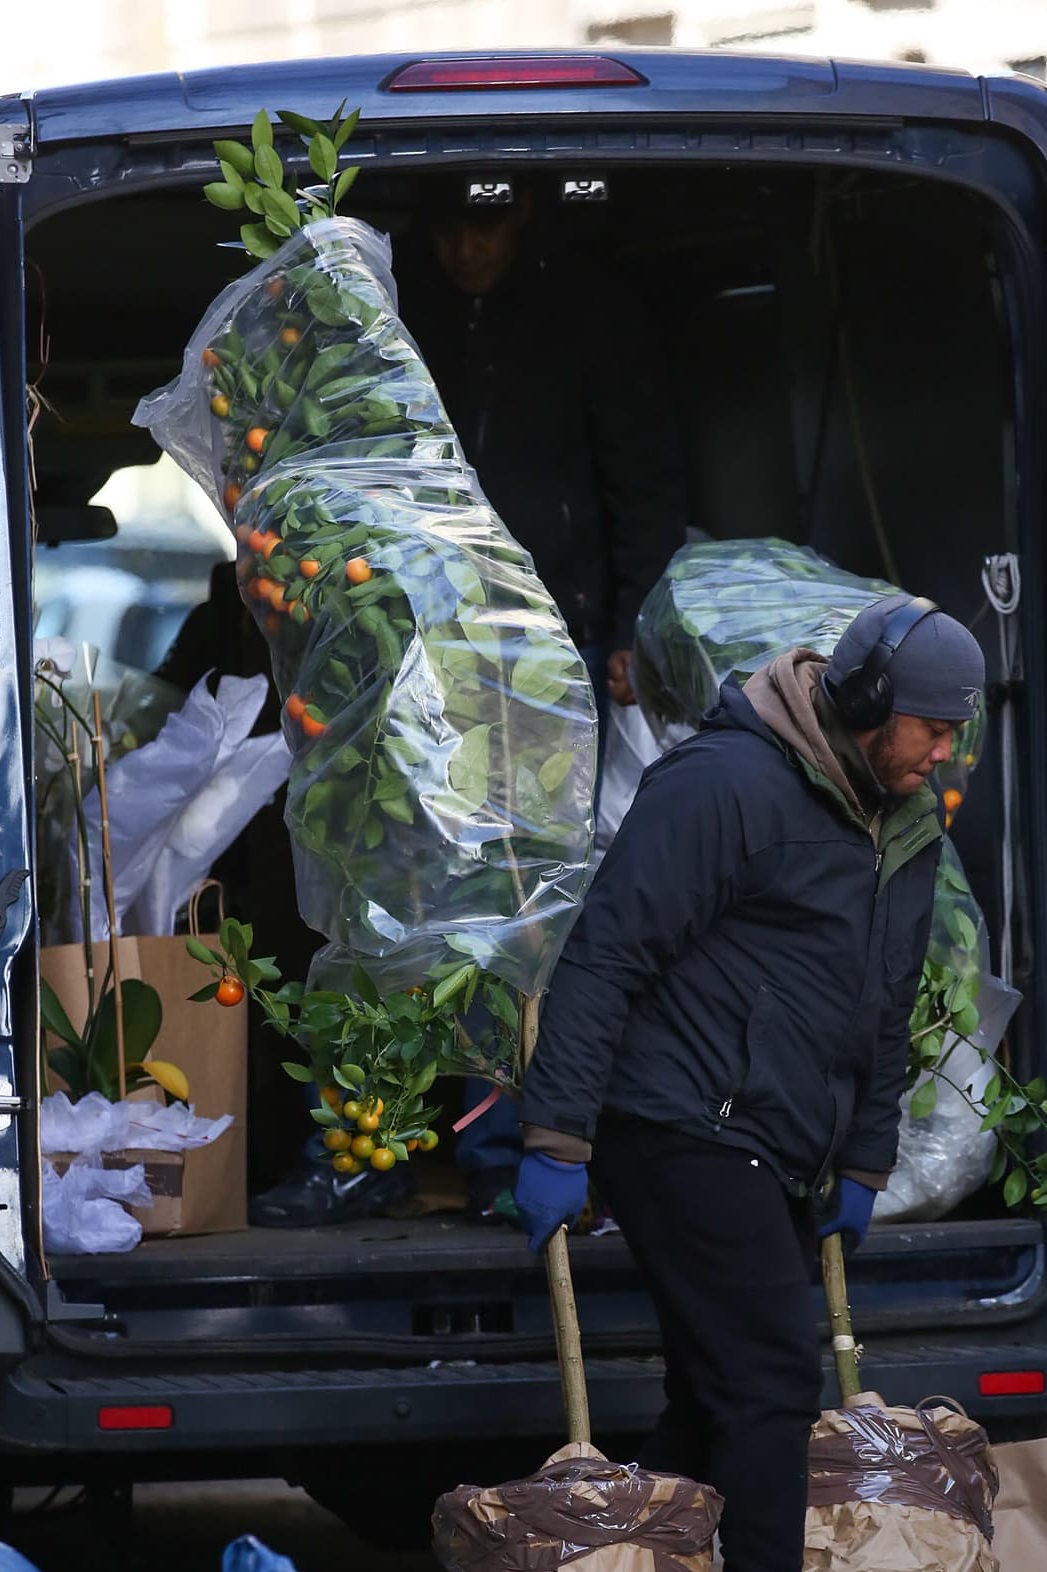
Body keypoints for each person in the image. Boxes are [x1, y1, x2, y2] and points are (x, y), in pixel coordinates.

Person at [513, 595, 986, 1572]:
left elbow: (882, 1004)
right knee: (774, 1376)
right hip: (674, 1121)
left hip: (777, 1140)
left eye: (950, 734)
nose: (938, 752)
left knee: (713, 1395)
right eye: (925, 727)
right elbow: (606, 951)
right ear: (864, 701)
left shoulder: (900, 822)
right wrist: (558, 1137)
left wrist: (865, 1156)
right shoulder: (724, 785)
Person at [397, 183, 688, 1223]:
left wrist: (626, 632)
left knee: (538, 910)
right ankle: (414, 1141)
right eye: (449, 227)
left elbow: (643, 484)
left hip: (549, 656)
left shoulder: (584, 316)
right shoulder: (403, 316)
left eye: (488, 225)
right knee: (433, 901)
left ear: (523, 223)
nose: (468, 246)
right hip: (425, 655)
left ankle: (537, 1144)